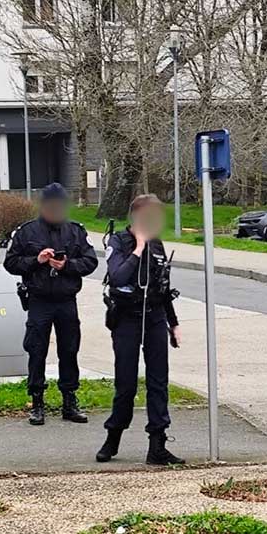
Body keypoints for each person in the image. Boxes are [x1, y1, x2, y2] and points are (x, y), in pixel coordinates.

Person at [97, 194, 183, 466]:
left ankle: (157, 444)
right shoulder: (118, 242)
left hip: (154, 317)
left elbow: (163, 287)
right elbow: (118, 276)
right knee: (126, 383)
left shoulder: (157, 245)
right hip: (126, 318)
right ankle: (113, 437)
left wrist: (173, 323)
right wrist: (138, 248)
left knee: (159, 381)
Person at [4, 183, 99, 425]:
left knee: (69, 350)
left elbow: (90, 262)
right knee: (36, 351)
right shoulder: (27, 232)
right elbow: (11, 263)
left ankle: (69, 400)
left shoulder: (75, 231)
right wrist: (37, 260)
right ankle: (37, 402)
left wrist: (66, 266)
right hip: (39, 300)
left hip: (66, 300)